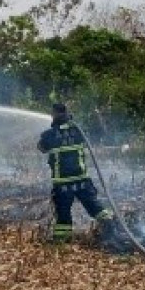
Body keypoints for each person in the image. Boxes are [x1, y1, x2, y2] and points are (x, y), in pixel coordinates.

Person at [37, 102, 115, 243]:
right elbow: (100, 134)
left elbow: (41, 148)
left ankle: (61, 241)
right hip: (82, 180)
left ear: (54, 113)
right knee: (95, 206)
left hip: (62, 184)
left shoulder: (49, 135)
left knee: (63, 214)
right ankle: (112, 227)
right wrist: (98, 117)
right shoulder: (80, 131)